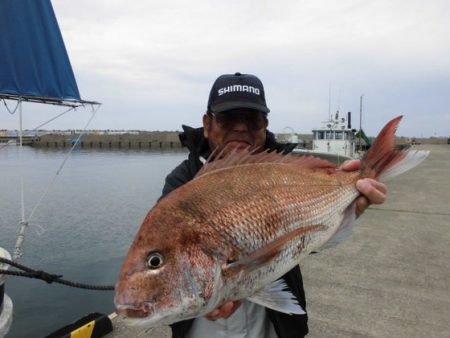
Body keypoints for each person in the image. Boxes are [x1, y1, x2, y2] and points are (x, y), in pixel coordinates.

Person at [159, 72, 387, 338]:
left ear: (265, 124)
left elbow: (303, 243)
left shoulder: (287, 171)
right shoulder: (182, 181)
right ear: (207, 123)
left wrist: (346, 211)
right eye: (227, 118)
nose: (241, 127)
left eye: (252, 119)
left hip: (271, 327)